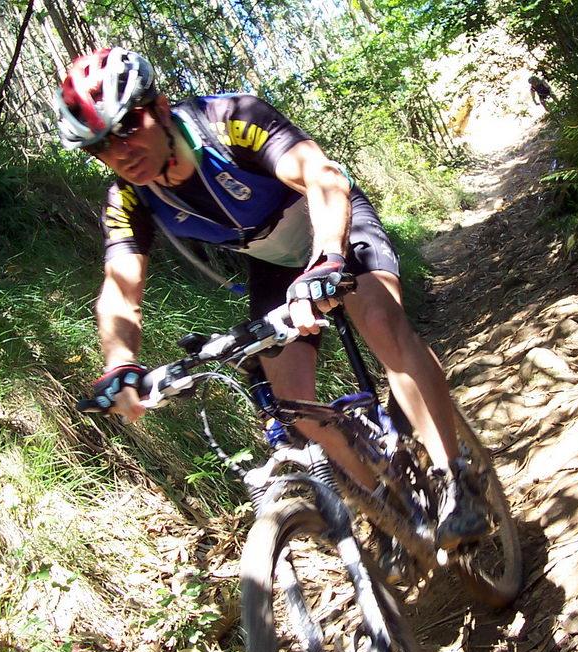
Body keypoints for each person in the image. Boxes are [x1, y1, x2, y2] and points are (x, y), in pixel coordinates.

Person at [54, 47, 486, 550]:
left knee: (381, 323)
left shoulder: (229, 121)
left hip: (332, 225)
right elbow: (120, 286)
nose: (120, 152)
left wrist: (328, 256)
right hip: (275, 262)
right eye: (101, 146)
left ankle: (456, 476)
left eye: (128, 127)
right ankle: (390, 511)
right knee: (293, 404)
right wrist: (120, 365)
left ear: (161, 107)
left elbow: (322, 176)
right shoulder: (128, 198)